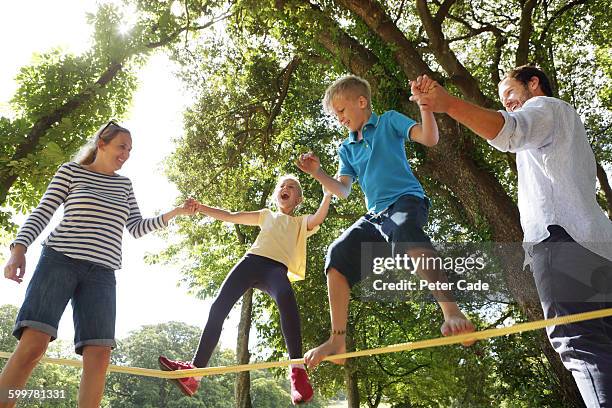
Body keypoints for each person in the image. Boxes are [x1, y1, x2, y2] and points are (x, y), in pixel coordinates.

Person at [410, 66, 612, 407]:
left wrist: (447, 104)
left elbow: (510, 130)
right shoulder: (565, 130)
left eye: (510, 95)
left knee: (580, 345)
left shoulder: (545, 107)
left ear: (533, 84)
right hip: (599, 251)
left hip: (563, 244)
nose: (507, 104)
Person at [0, 121, 197, 408]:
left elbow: (137, 227)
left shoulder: (124, 185)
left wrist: (175, 212)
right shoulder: (71, 171)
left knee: (100, 356)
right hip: (59, 261)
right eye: (122, 146)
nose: (126, 154)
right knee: (33, 345)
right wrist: (19, 248)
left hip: (102, 273)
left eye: (130, 149)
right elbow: (43, 212)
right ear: (102, 143)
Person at [296, 75, 475, 370]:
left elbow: (429, 138)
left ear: (362, 102)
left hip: (405, 201)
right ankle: (337, 339)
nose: (338, 118)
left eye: (341, 110)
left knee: (405, 230)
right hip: (375, 217)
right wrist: (317, 172)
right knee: (337, 254)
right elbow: (342, 189)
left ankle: (451, 311)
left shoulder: (389, 121)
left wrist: (425, 107)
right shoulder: (347, 148)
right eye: (334, 114)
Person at [158, 175, 332, 405]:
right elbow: (230, 216)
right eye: (282, 186)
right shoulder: (266, 215)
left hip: (275, 269)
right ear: (277, 194)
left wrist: (328, 193)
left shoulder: (300, 222)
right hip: (250, 263)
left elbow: (319, 216)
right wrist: (201, 208)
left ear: (298, 199)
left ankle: (297, 371)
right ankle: (194, 372)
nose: (285, 188)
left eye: (291, 187)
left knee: (287, 299)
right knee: (218, 306)